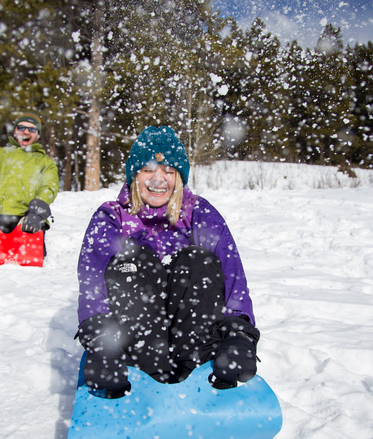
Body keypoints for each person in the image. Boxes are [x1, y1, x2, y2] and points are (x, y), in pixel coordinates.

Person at [76, 126, 259, 399]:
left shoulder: (199, 212)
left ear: (179, 178)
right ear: (135, 174)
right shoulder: (111, 218)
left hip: (195, 343)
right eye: (149, 169)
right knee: (133, 260)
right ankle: (141, 376)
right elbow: (93, 282)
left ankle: (198, 372)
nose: (159, 180)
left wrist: (238, 335)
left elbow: (233, 277)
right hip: (133, 350)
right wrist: (102, 341)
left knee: (198, 261)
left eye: (169, 171)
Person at [0, 110, 59, 235]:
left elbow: (49, 187)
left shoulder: (45, 162)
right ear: (15, 131)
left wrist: (37, 212)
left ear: (38, 135)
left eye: (32, 129)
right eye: (21, 127)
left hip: (28, 220)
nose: (26, 132)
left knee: (28, 254)